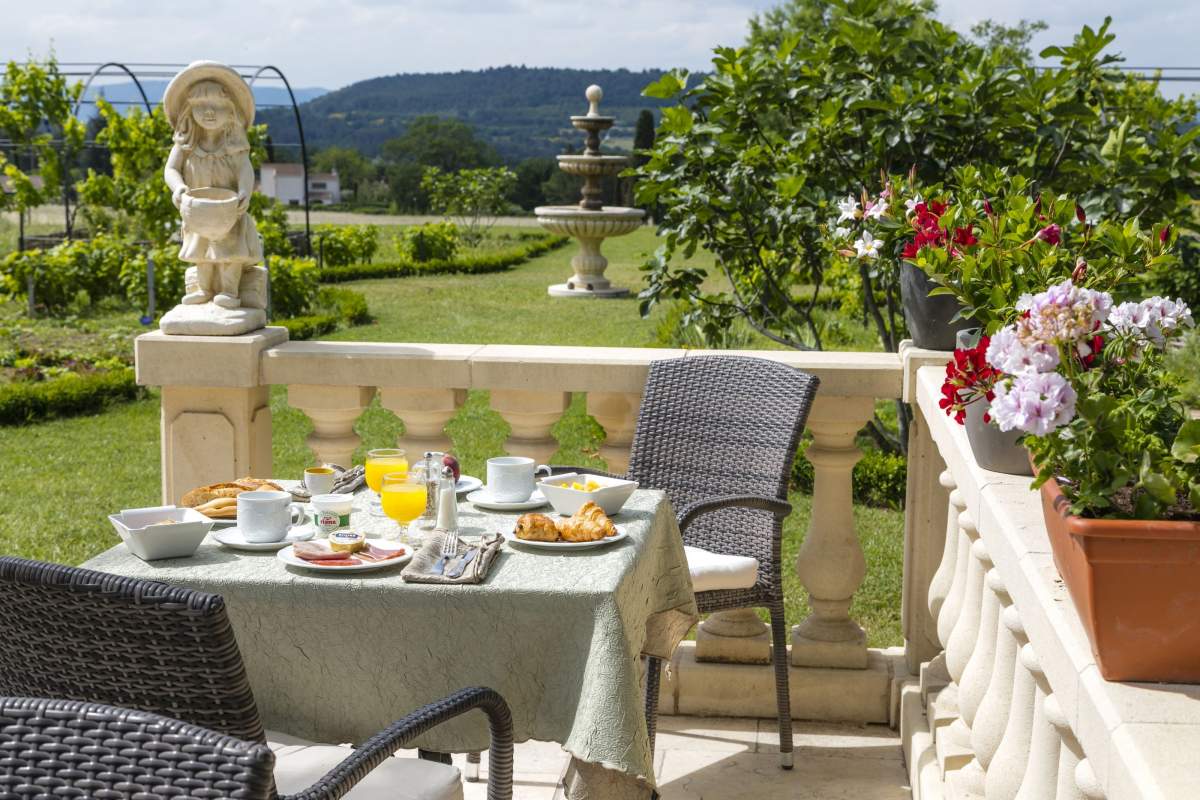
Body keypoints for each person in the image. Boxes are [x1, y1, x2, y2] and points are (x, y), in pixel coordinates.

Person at [163, 62, 262, 309]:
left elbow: (245, 169)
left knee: (229, 250)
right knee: (201, 251)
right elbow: (171, 169)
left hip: (228, 210)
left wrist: (244, 192)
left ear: (231, 111)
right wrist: (178, 188)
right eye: (201, 106)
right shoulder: (185, 145)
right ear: (189, 110)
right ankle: (205, 289)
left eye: (217, 106)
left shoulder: (233, 145)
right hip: (197, 209)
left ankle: (229, 291)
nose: (210, 112)